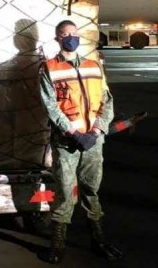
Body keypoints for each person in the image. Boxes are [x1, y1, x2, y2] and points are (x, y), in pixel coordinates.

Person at [39, 20, 123, 264]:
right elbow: (50, 105)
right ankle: (58, 243)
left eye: (74, 33)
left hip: (93, 141)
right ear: (58, 39)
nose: (71, 37)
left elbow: (107, 101)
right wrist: (74, 133)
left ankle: (98, 239)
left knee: (91, 190)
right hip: (67, 142)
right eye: (66, 34)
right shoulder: (49, 68)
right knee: (65, 192)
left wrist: (96, 131)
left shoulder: (92, 66)